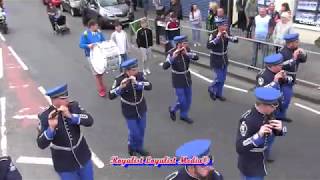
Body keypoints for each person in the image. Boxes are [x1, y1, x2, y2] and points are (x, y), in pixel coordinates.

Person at [37, 84, 94, 180]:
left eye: (66, 97)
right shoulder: (45, 116)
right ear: (54, 100)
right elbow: (41, 144)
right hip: (64, 164)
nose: (67, 100)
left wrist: (71, 116)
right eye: (63, 98)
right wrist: (51, 128)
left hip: (83, 156)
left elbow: (90, 120)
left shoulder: (74, 106)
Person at [236, 87, 287, 180]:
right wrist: (258, 136)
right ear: (264, 105)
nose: (276, 107)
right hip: (250, 164)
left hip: (260, 160)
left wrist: (280, 130)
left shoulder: (269, 113)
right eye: (274, 105)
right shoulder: (248, 120)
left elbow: (272, 130)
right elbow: (239, 147)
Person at [109, 58, 152, 156]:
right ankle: (131, 146)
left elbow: (149, 86)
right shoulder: (119, 79)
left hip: (141, 108)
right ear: (127, 71)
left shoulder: (139, 76)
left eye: (136, 69)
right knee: (134, 133)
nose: (136, 71)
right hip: (129, 110)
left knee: (141, 130)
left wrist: (137, 83)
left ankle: (139, 148)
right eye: (133, 70)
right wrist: (121, 87)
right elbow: (110, 95)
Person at [163, 35, 199, 124]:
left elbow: (196, 57)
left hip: (187, 76)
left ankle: (183, 115)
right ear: (178, 44)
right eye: (184, 43)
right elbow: (165, 66)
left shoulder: (187, 50)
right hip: (177, 79)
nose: (186, 45)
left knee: (188, 99)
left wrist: (187, 54)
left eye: (186, 43)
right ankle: (173, 109)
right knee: (182, 100)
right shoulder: (171, 53)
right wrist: (173, 58)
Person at [207, 19, 238, 102]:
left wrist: (228, 36)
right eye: (224, 25)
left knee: (223, 79)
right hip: (216, 59)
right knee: (219, 78)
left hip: (224, 58)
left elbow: (236, 40)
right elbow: (209, 45)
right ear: (219, 26)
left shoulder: (226, 33)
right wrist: (217, 38)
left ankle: (218, 94)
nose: (226, 27)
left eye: (226, 25)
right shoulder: (213, 34)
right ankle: (211, 87)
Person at [279, 33, 307, 122]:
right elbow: (280, 65)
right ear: (291, 43)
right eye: (296, 42)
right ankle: (278, 115)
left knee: (286, 98)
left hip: (291, 79)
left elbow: (303, 60)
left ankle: (281, 115)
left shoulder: (296, 50)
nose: (298, 43)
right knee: (285, 98)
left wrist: (303, 53)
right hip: (284, 78)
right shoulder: (283, 52)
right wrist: (294, 59)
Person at [79, 19, 107, 97]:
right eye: (96, 25)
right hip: (91, 56)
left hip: (99, 55)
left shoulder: (98, 32)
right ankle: (101, 90)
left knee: (100, 72)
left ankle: (102, 85)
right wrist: (88, 45)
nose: (97, 26)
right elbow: (81, 45)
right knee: (96, 74)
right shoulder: (85, 34)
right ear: (91, 26)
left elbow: (103, 40)